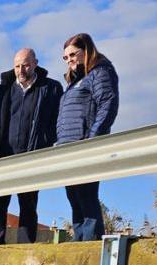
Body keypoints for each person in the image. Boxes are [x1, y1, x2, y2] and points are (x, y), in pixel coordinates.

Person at [0, 48, 63, 245]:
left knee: (29, 204)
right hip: (3, 157)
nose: (21, 70)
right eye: (17, 66)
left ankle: (25, 248)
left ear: (35, 63)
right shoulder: (1, 91)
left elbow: (59, 120)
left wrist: (46, 140)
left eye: (25, 64)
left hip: (31, 157)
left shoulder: (50, 89)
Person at [55, 33, 119, 241]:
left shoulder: (100, 72)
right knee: (74, 197)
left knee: (86, 195)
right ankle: (79, 240)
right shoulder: (75, 82)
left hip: (85, 145)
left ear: (87, 50)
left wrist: (93, 139)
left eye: (73, 54)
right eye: (65, 57)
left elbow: (107, 103)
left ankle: (90, 243)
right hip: (68, 148)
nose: (69, 60)